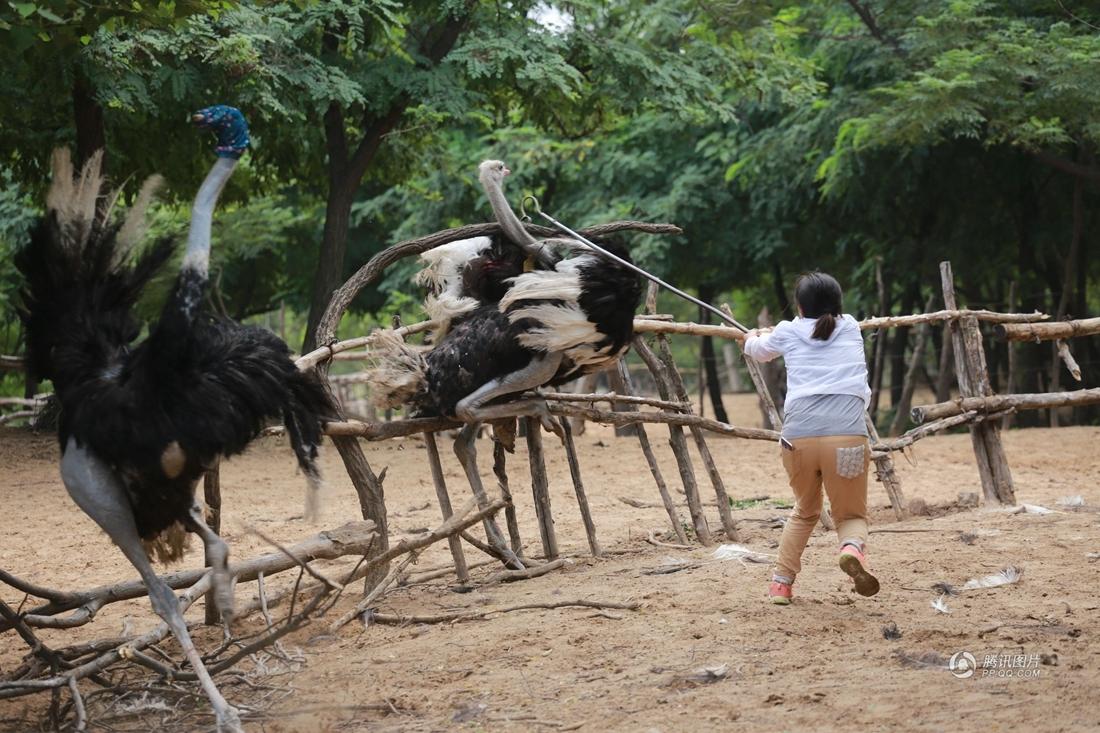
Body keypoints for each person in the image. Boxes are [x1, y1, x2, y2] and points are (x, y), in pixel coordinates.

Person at [742, 271, 879, 605]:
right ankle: (850, 549)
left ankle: (781, 585)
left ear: (799, 307)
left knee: (805, 511)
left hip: (798, 440)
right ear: (838, 304)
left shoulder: (788, 331)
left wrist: (753, 335)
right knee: (850, 517)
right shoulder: (851, 328)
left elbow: (756, 350)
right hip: (846, 438)